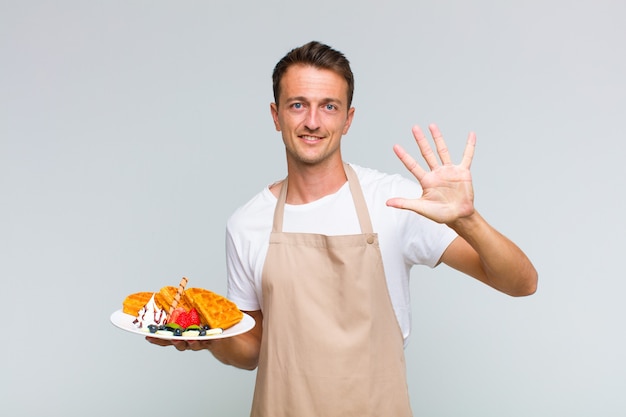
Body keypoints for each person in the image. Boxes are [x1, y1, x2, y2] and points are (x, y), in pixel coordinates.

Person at [148, 41, 538, 416]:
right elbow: (251, 350)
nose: (312, 121)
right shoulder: (247, 223)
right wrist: (204, 334)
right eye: (298, 104)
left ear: (348, 119)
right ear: (276, 115)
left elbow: (521, 283)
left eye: (329, 106)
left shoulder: (393, 202)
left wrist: (467, 219)